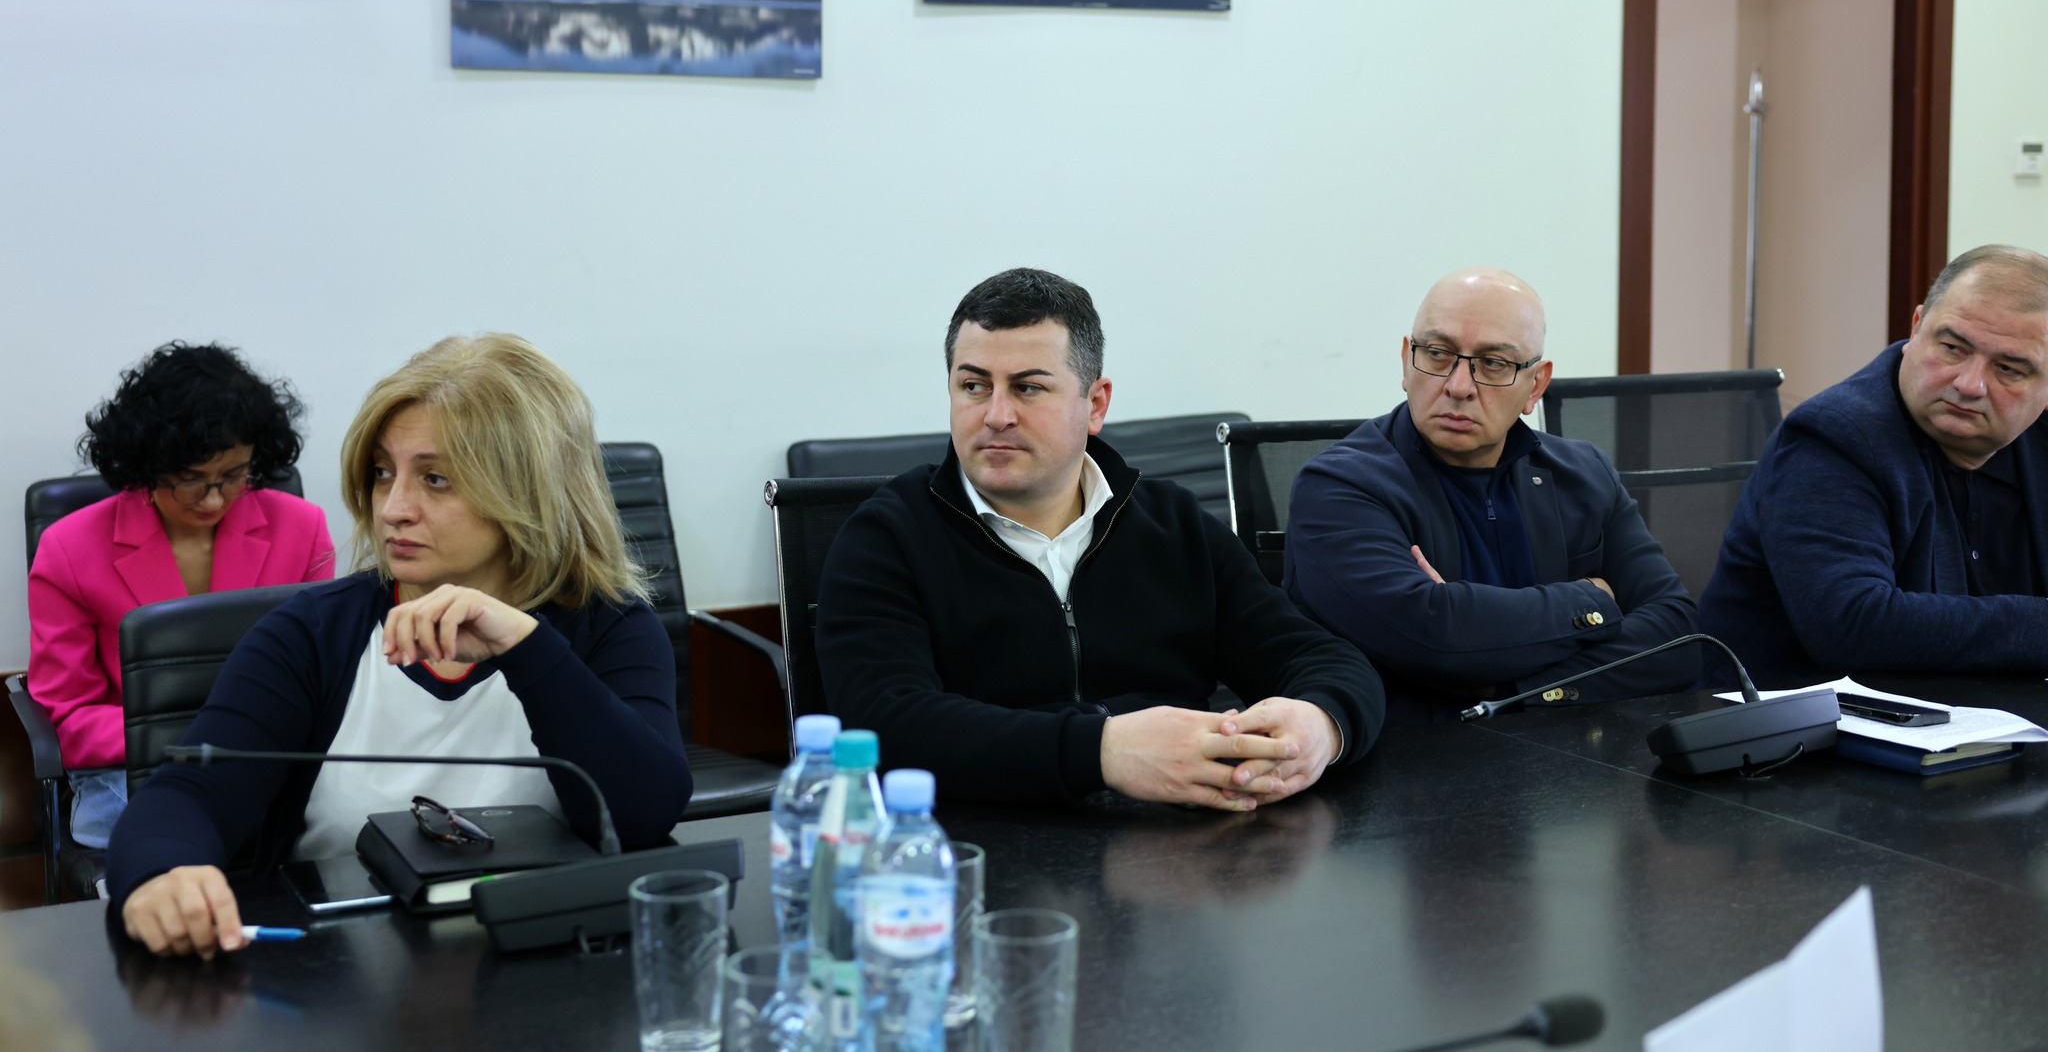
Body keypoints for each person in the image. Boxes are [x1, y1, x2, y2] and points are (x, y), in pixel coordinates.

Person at [108, 334, 692, 957]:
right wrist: (162, 873)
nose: (392, 509)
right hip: (338, 972)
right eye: (384, 472)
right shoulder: (311, 634)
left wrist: (529, 650)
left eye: (435, 479)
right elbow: (189, 794)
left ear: (529, 492)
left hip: (549, 967)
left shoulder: (611, 627)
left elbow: (643, 815)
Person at [816, 268, 1385, 813]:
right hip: (977, 847)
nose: (995, 415)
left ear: (1095, 405)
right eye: (973, 386)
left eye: (1028, 388)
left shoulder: (1174, 524)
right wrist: (1103, 751)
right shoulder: (887, 536)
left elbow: (1321, 658)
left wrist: (1320, 725)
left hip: (1183, 845)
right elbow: (884, 725)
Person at [1285, 267, 1699, 723]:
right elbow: (1438, 638)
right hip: (1416, 756)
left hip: (1569, 748)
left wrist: (1507, 691)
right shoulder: (1340, 485)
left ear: (1535, 386)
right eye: (1437, 354)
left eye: (1494, 363)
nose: (1459, 386)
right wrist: (1592, 598)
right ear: (1406, 361)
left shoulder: (1584, 473)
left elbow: (1680, 638)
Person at [27, 343, 335, 850]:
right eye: (190, 480)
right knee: (167, 836)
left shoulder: (302, 527)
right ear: (147, 464)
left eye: (233, 476)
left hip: (267, 753)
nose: (214, 499)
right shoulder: (69, 547)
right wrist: (193, 740)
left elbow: (324, 673)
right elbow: (68, 712)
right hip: (133, 763)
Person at [1699, 244, 2048, 688]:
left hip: (1996, 711)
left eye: (2009, 369)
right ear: (1916, 328)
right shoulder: (1832, 438)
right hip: (1805, 720)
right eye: (1953, 348)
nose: (1969, 384)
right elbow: (1851, 623)